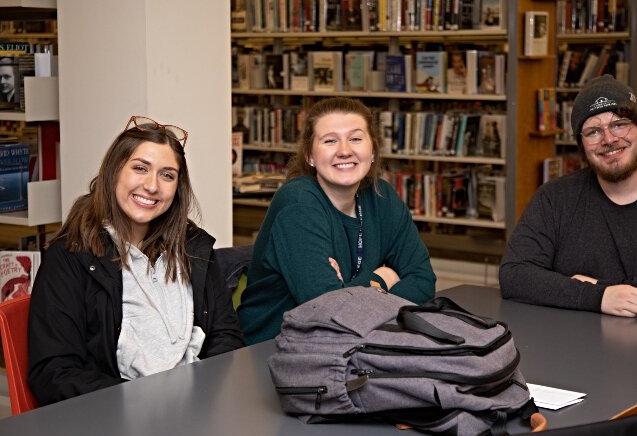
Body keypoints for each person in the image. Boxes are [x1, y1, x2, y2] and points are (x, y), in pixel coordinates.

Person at [28, 116, 244, 405]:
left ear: (177, 187)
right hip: (116, 417)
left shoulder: (193, 246)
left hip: (196, 409)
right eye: (140, 168)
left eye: (167, 175)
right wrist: (139, 403)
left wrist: (202, 393)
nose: (152, 186)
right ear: (114, 172)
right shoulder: (70, 256)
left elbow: (226, 336)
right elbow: (54, 373)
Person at [499, 75, 637, 318]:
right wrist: (597, 298)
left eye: (619, 124)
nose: (608, 139)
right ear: (582, 145)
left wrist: (604, 289)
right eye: (593, 131)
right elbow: (514, 274)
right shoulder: (553, 199)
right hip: (573, 347)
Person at [237, 97, 436, 344]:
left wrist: (351, 292)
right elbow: (328, 311)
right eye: (330, 140)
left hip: (356, 342)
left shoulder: (381, 196)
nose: (344, 150)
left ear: (372, 150)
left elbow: (424, 280)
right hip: (274, 350)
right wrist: (384, 278)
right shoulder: (298, 203)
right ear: (310, 155)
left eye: (355, 138)